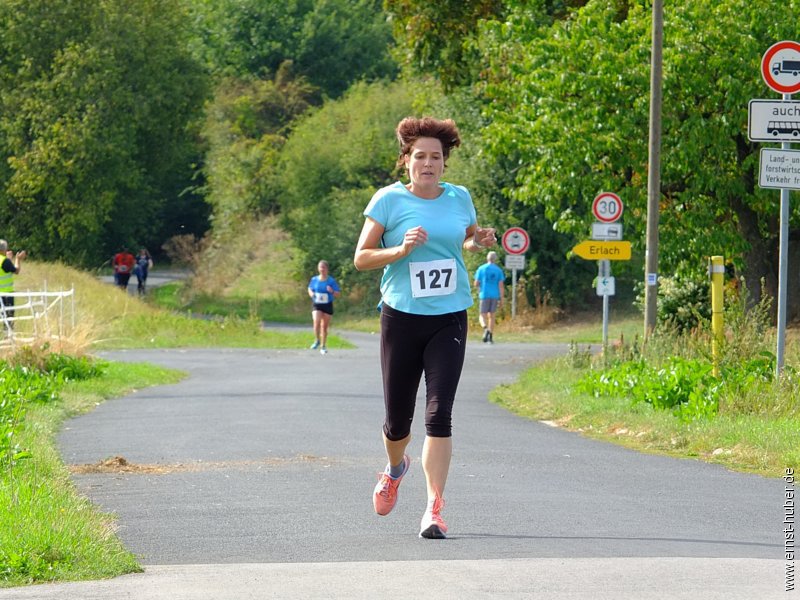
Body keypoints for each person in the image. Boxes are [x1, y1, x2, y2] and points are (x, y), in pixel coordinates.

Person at [354, 116, 497, 539]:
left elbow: (465, 239)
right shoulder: (388, 201)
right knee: (398, 421)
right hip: (400, 316)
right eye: (420, 156)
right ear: (406, 161)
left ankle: (434, 506)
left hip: (449, 317)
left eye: (436, 156)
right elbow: (361, 257)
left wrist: (478, 242)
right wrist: (400, 249)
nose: (428, 163)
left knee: (440, 413)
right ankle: (396, 468)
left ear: (445, 162)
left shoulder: (460, 198)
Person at [307, 260, 341, 355]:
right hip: (317, 304)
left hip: (327, 304)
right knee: (316, 322)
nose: (322, 269)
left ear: (327, 269)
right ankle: (317, 340)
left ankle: (323, 345)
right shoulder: (314, 279)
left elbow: (338, 293)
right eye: (320, 267)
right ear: (318, 268)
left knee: (324, 326)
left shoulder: (331, 281)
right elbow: (310, 288)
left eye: (324, 267)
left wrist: (332, 291)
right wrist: (311, 294)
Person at [473, 250, 505, 344]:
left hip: (484, 294)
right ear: (495, 259)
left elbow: (476, 283)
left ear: (487, 258)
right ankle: (490, 335)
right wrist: (502, 298)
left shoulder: (481, 269)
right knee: (492, 315)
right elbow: (501, 285)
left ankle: (485, 328)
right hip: (494, 295)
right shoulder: (498, 270)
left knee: (482, 314)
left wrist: (479, 286)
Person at [0, 240, 26, 328]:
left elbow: (6, 271)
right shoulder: (4, 261)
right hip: (6, 294)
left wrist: (9, 259)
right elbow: (16, 270)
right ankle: (8, 337)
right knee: (8, 319)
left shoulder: (5, 261)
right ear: (3, 250)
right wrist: (18, 259)